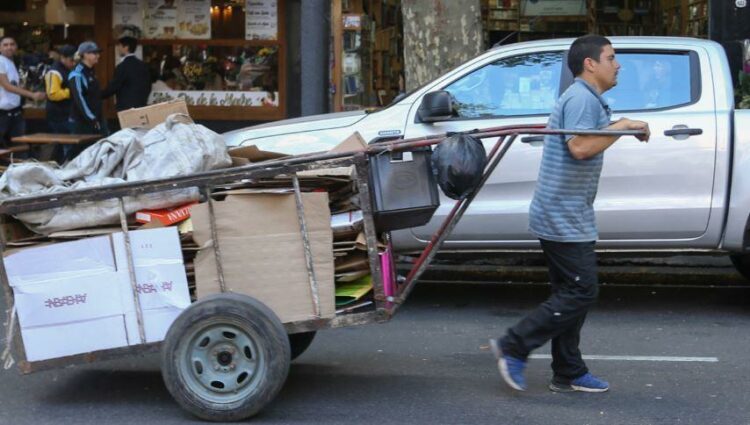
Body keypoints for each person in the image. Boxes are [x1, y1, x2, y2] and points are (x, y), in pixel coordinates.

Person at [489, 35, 650, 393]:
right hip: (561, 213)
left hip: (567, 210)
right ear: (590, 64)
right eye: (611, 57)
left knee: (570, 291)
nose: (618, 64)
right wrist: (623, 126)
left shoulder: (588, 98)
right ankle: (514, 345)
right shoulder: (581, 98)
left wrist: (619, 126)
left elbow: (586, 141)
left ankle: (568, 371)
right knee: (580, 291)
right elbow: (579, 147)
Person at [0, 36, 46, 148]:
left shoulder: (12, 62)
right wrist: (31, 95)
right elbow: (7, 86)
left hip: (16, 111)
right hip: (2, 114)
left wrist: (28, 91)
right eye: (5, 45)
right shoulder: (1, 62)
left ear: (16, 47)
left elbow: (15, 85)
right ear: (0, 48)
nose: (9, 47)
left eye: (12, 44)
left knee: (20, 146)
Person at [102, 36, 151, 112]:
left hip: (126, 108)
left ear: (126, 47)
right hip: (141, 105)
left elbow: (114, 86)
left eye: (119, 45)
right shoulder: (143, 65)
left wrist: (99, 95)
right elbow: (148, 85)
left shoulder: (123, 66)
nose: (118, 48)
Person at [69, 41, 107, 137]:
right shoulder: (77, 73)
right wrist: (92, 118)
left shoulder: (90, 71)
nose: (98, 55)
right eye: (94, 53)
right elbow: (79, 98)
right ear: (85, 55)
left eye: (98, 53)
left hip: (96, 119)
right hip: (82, 122)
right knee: (81, 150)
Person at [44, 44, 76, 134]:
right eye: (71, 60)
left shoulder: (69, 69)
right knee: (65, 144)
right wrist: (72, 92)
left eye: (75, 60)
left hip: (67, 113)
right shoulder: (54, 72)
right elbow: (52, 94)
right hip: (58, 115)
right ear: (63, 58)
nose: (73, 63)